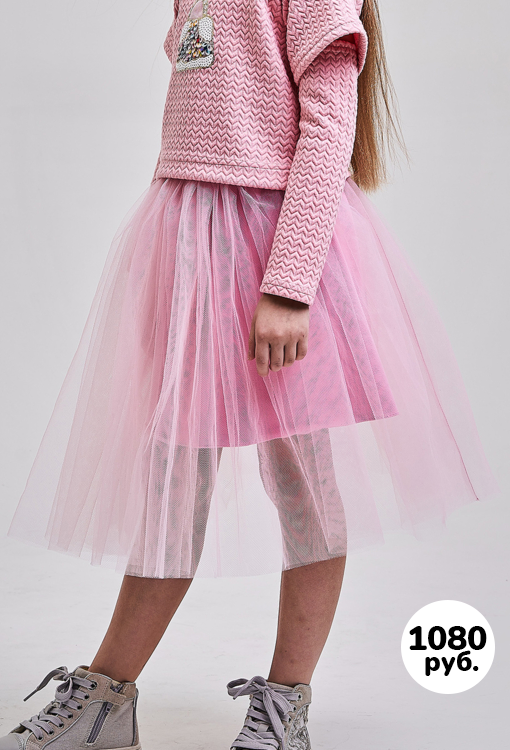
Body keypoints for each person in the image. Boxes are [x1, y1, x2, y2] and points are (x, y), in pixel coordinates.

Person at [2, 0, 498, 749]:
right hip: (191, 243)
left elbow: (329, 124)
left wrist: (289, 287)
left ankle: (285, 703)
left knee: (304, 485)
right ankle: (106, 698)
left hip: (276, 247)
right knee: (172, 483)